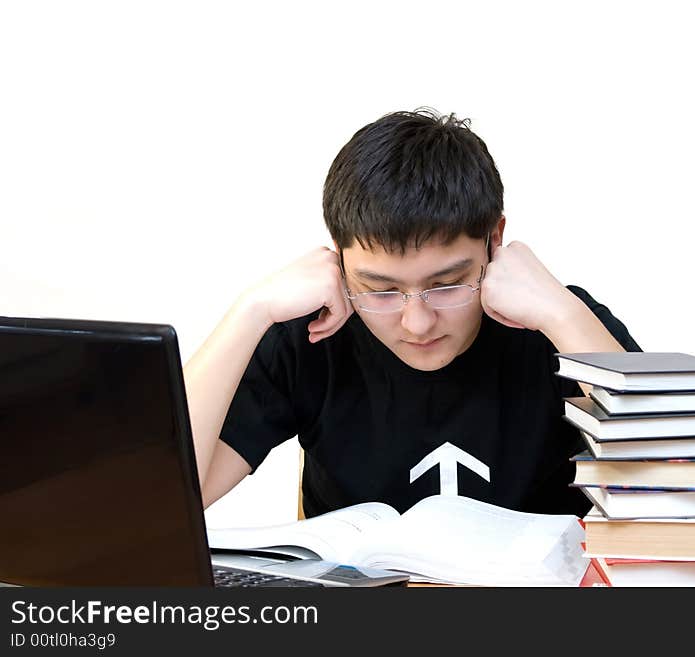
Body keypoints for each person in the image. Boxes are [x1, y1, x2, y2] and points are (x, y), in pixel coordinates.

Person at [183, 108, 641, 519]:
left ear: (494, 241)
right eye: (379, 290)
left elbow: (676, 491)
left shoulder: (558, 324)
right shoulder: (310, 336)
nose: (417, 323)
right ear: (339, 262)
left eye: (446, 285)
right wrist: (251, 311)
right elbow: (171, 494)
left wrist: (562, 314)